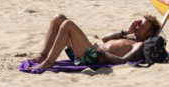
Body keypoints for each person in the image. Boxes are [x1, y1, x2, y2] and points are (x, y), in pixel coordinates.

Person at [26, 14, 160, 71]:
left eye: (142, 26)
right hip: (89, 53)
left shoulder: (139, 45)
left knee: (68, 24)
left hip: (93, 58)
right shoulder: (129, 38)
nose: (137, 27)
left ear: (149, 33)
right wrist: (127, 31)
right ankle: (43, 56)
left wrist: (101, 52)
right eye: (138, 24)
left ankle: (48, 63)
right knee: (58, 18)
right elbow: (105, 39)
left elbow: (122, 61)